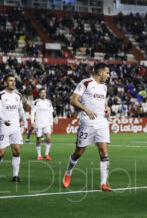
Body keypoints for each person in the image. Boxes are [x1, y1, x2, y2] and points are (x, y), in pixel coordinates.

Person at [62, 63, 112, 191]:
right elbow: (73, 100)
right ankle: (68, 172)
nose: (108, 75)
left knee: (104, 152)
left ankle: (103, 183)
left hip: (102, 122)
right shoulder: (85, 83)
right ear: (100, 73)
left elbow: (103, 101)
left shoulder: (104, 87)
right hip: (87, 122)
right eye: (107, 72)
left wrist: (106, 107)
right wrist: (85, 109)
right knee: (79, 152)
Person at [0, 74, 28, 182]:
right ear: (5, 83)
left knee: (16, 151)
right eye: (10, 81)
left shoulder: (18, 95)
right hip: (4, 127)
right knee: (1, 153)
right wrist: (4, 120)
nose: (13, 82)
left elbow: (21, 110)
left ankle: (15, 176)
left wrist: (25, 122)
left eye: (14, 81)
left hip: (16, 127)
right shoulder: (0, 95)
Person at [30, 88, 54, 160]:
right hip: (38, 124)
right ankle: (39, 155)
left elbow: (50, 113)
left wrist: (51, 123)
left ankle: (46, 154)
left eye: (44, 93)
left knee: (49, 138)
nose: (43, 94)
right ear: (39, 94)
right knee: (39, 140)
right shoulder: (36, 102)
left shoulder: (49, 102)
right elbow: (32, 113)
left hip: (47, 124)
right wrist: (32, 122)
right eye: (42, 93)